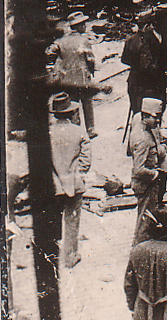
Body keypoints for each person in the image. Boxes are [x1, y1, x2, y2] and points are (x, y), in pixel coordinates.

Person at [48, 92, 92, 268]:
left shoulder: (48, 133)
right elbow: (86, 159)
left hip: (53, 184)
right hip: (73, 183)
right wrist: (78, 173)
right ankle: (70, 257)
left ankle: (51, 256)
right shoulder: (79, 131)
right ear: (70, 113)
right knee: (72, 220)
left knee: (53, 219)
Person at [46, 11, 104, 138]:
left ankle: (76, 129)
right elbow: (90, 59)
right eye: (83, 24)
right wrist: (91, 72)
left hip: (67, 79)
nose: (85, 26)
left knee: (73, 103)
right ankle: (90, 130)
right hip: (83, 78)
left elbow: (50, 53)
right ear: (78, 26)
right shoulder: (83, 41)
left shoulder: (60, 41)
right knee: (87, 103)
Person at [129, 97, 167, 245]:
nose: (158, 121)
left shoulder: (142, 123)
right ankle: (138, 250)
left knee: (147, 218)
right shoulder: (142, 139)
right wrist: (156, 174)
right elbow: (139, 169)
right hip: (146, 185)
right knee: (144, 221)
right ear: (145, 116)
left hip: (148, 183)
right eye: (155, 117)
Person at [123, 11, 167, 118]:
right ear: (147, 25)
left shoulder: (130, 39)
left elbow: (124, 59)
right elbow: (147, 65)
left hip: (133, 82)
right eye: (151, 25)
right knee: (150, 115)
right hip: (146, 84)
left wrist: (135, 65)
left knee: (137, 115)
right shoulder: (145, 41)